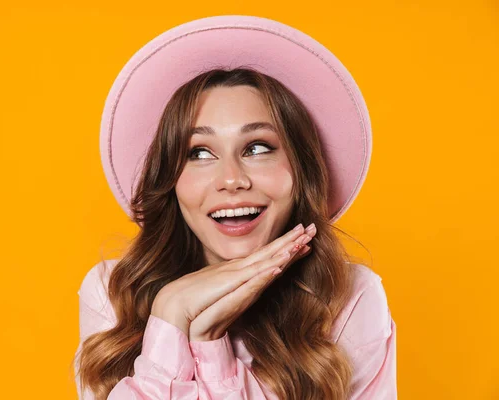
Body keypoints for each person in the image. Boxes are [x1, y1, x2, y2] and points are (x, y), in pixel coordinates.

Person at [73, 16, 397, 399]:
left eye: (257, 148)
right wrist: (170, 315)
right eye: (199, 152)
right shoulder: (114, 295)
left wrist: (209, 345)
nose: (231, 179)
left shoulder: (350, 297)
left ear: (300, 170)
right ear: (171, 180)